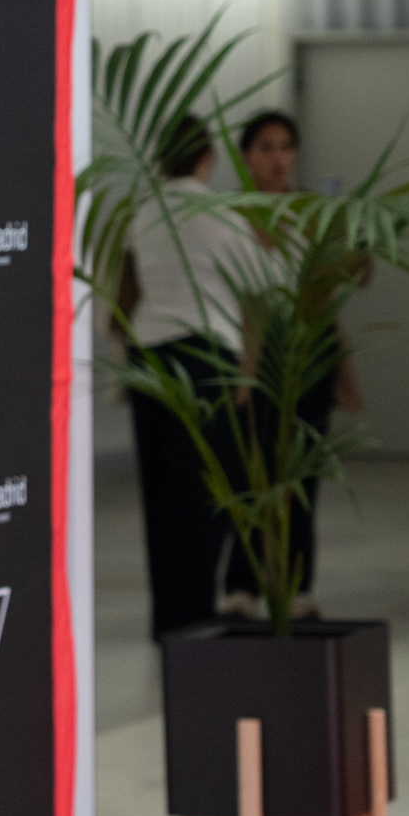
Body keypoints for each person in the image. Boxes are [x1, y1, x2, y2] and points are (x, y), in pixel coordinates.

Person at [124, 114, 261, 639]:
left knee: (160, 492)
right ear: (208, 157)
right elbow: (262, 278)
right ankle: (196, 613)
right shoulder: (218, 213)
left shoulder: (143, 212)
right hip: (205, 357)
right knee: (204, 491)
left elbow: (130, 283)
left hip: (149, 355)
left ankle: (167, 616)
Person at [218, 110, 359, 618]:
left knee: (301, 474)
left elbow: (343, 281)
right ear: (246, 157)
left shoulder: (311, 212)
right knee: (252, 471)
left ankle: (298, 586)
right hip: (255, 351)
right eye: (266, 148)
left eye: (285, 148)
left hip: (307, 351)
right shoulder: (230, 215)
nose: (278, 159)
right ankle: (243, 584)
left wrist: (352, 245)